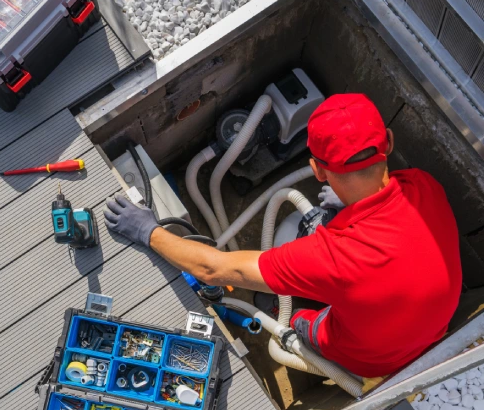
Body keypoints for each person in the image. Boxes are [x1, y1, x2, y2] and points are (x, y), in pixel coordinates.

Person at [104, 93, 462, 378]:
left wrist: (148, 231)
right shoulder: (423, 186)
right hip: (433, 330)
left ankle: (277, 308)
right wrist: (347, 204)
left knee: (301, 264)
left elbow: (213, 269)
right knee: (319, 227)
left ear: (318, 170)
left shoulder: (333, 257)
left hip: (370, 359)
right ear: (388, 142)